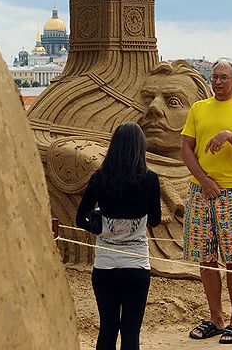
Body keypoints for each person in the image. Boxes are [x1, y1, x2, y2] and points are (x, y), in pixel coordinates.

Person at [181, 57, 232, 344]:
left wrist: (229, 136)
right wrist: (203, 180)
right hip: (201, 191)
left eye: (223, 77)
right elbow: (186, 147)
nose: (217, 82)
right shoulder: (198, 108)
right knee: (205, 257)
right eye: (214, 77)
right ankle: (216, 317)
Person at [76, 121, 161, 350]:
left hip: (105, 265)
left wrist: (99, 219)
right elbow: (154, 220)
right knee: (131, 331)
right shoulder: (150, 179)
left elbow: (79, 218)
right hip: (136, 265)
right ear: (140, 148)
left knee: (108, 328)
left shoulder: (99, 178)